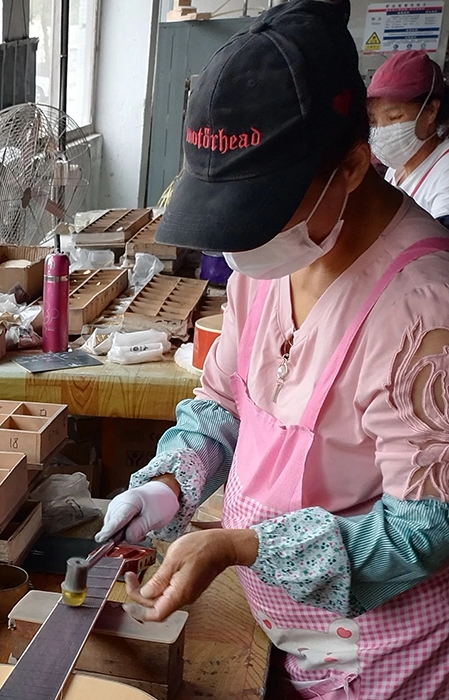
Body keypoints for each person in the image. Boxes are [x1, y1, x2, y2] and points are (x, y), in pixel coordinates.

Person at [94, 2, 449, 698]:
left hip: (388, 660)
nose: (243, 247)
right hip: (288, 635)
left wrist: (240, 546)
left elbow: (425, 528)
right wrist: (168, 486)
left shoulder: (423, 311)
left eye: (263, 215)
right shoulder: (273, 261)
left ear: (350, 165)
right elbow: (226, 401)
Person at [368, 50, 449, 227]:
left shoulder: (445, 174)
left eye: (395, 117)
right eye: (373, 120)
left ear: (431, 111)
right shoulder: (398, 164)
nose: (382, 129)